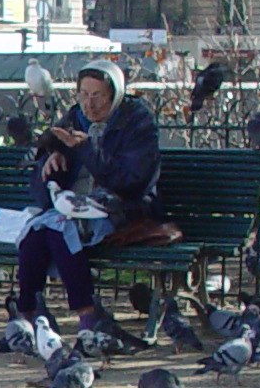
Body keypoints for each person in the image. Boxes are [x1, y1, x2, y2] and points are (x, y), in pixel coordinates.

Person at [14, 61, 169, 330]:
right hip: (75, 207)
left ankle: (86, 313)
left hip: (124, 208)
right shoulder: (74, 118)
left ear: (115, 95)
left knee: (62, 231)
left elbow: (131, 182)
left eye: (98, 96)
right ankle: (26, 316)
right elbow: (42, 178)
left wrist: (86, 150)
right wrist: (52, 160)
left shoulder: (137, 122)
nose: (90, 104)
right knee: (35, 236)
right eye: (83, 95)